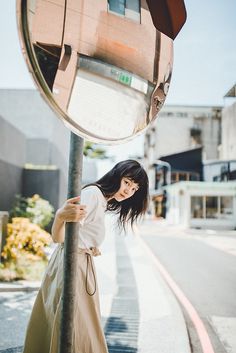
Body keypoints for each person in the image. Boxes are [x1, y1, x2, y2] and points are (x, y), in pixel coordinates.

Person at [23, 159, 149, 353]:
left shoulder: (102, 200)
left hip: (77, 263)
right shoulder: (93, 195)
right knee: (76, 328)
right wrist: (59, 216)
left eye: (134, 188)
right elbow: (60, 237)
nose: (128, 191)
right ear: (117, 176)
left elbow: (74, 235)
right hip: (72, 264)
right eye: (127, 182)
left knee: (76, 326)